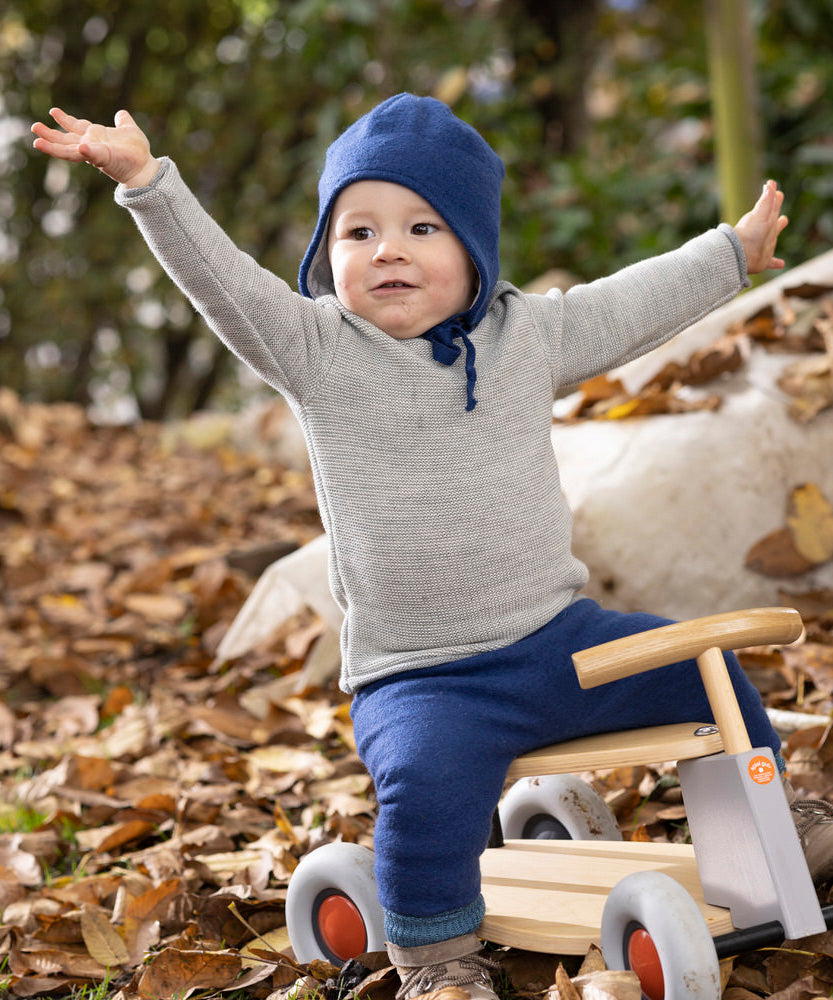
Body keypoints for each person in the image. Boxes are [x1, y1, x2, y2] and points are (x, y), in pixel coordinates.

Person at [32, 95, 831, 1000]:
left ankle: (776, 827)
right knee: (424, 789)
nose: (388, 250)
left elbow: (628, 305)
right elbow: (226, 285)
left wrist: (729, 254)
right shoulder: (316, 352)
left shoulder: (524, 336)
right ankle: (437, 956)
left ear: (475, 254)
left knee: (707, 671)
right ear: (326, 257)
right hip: (420, 676)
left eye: (422, 226)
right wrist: (149, 182)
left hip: (557, 640)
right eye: (357, 230)